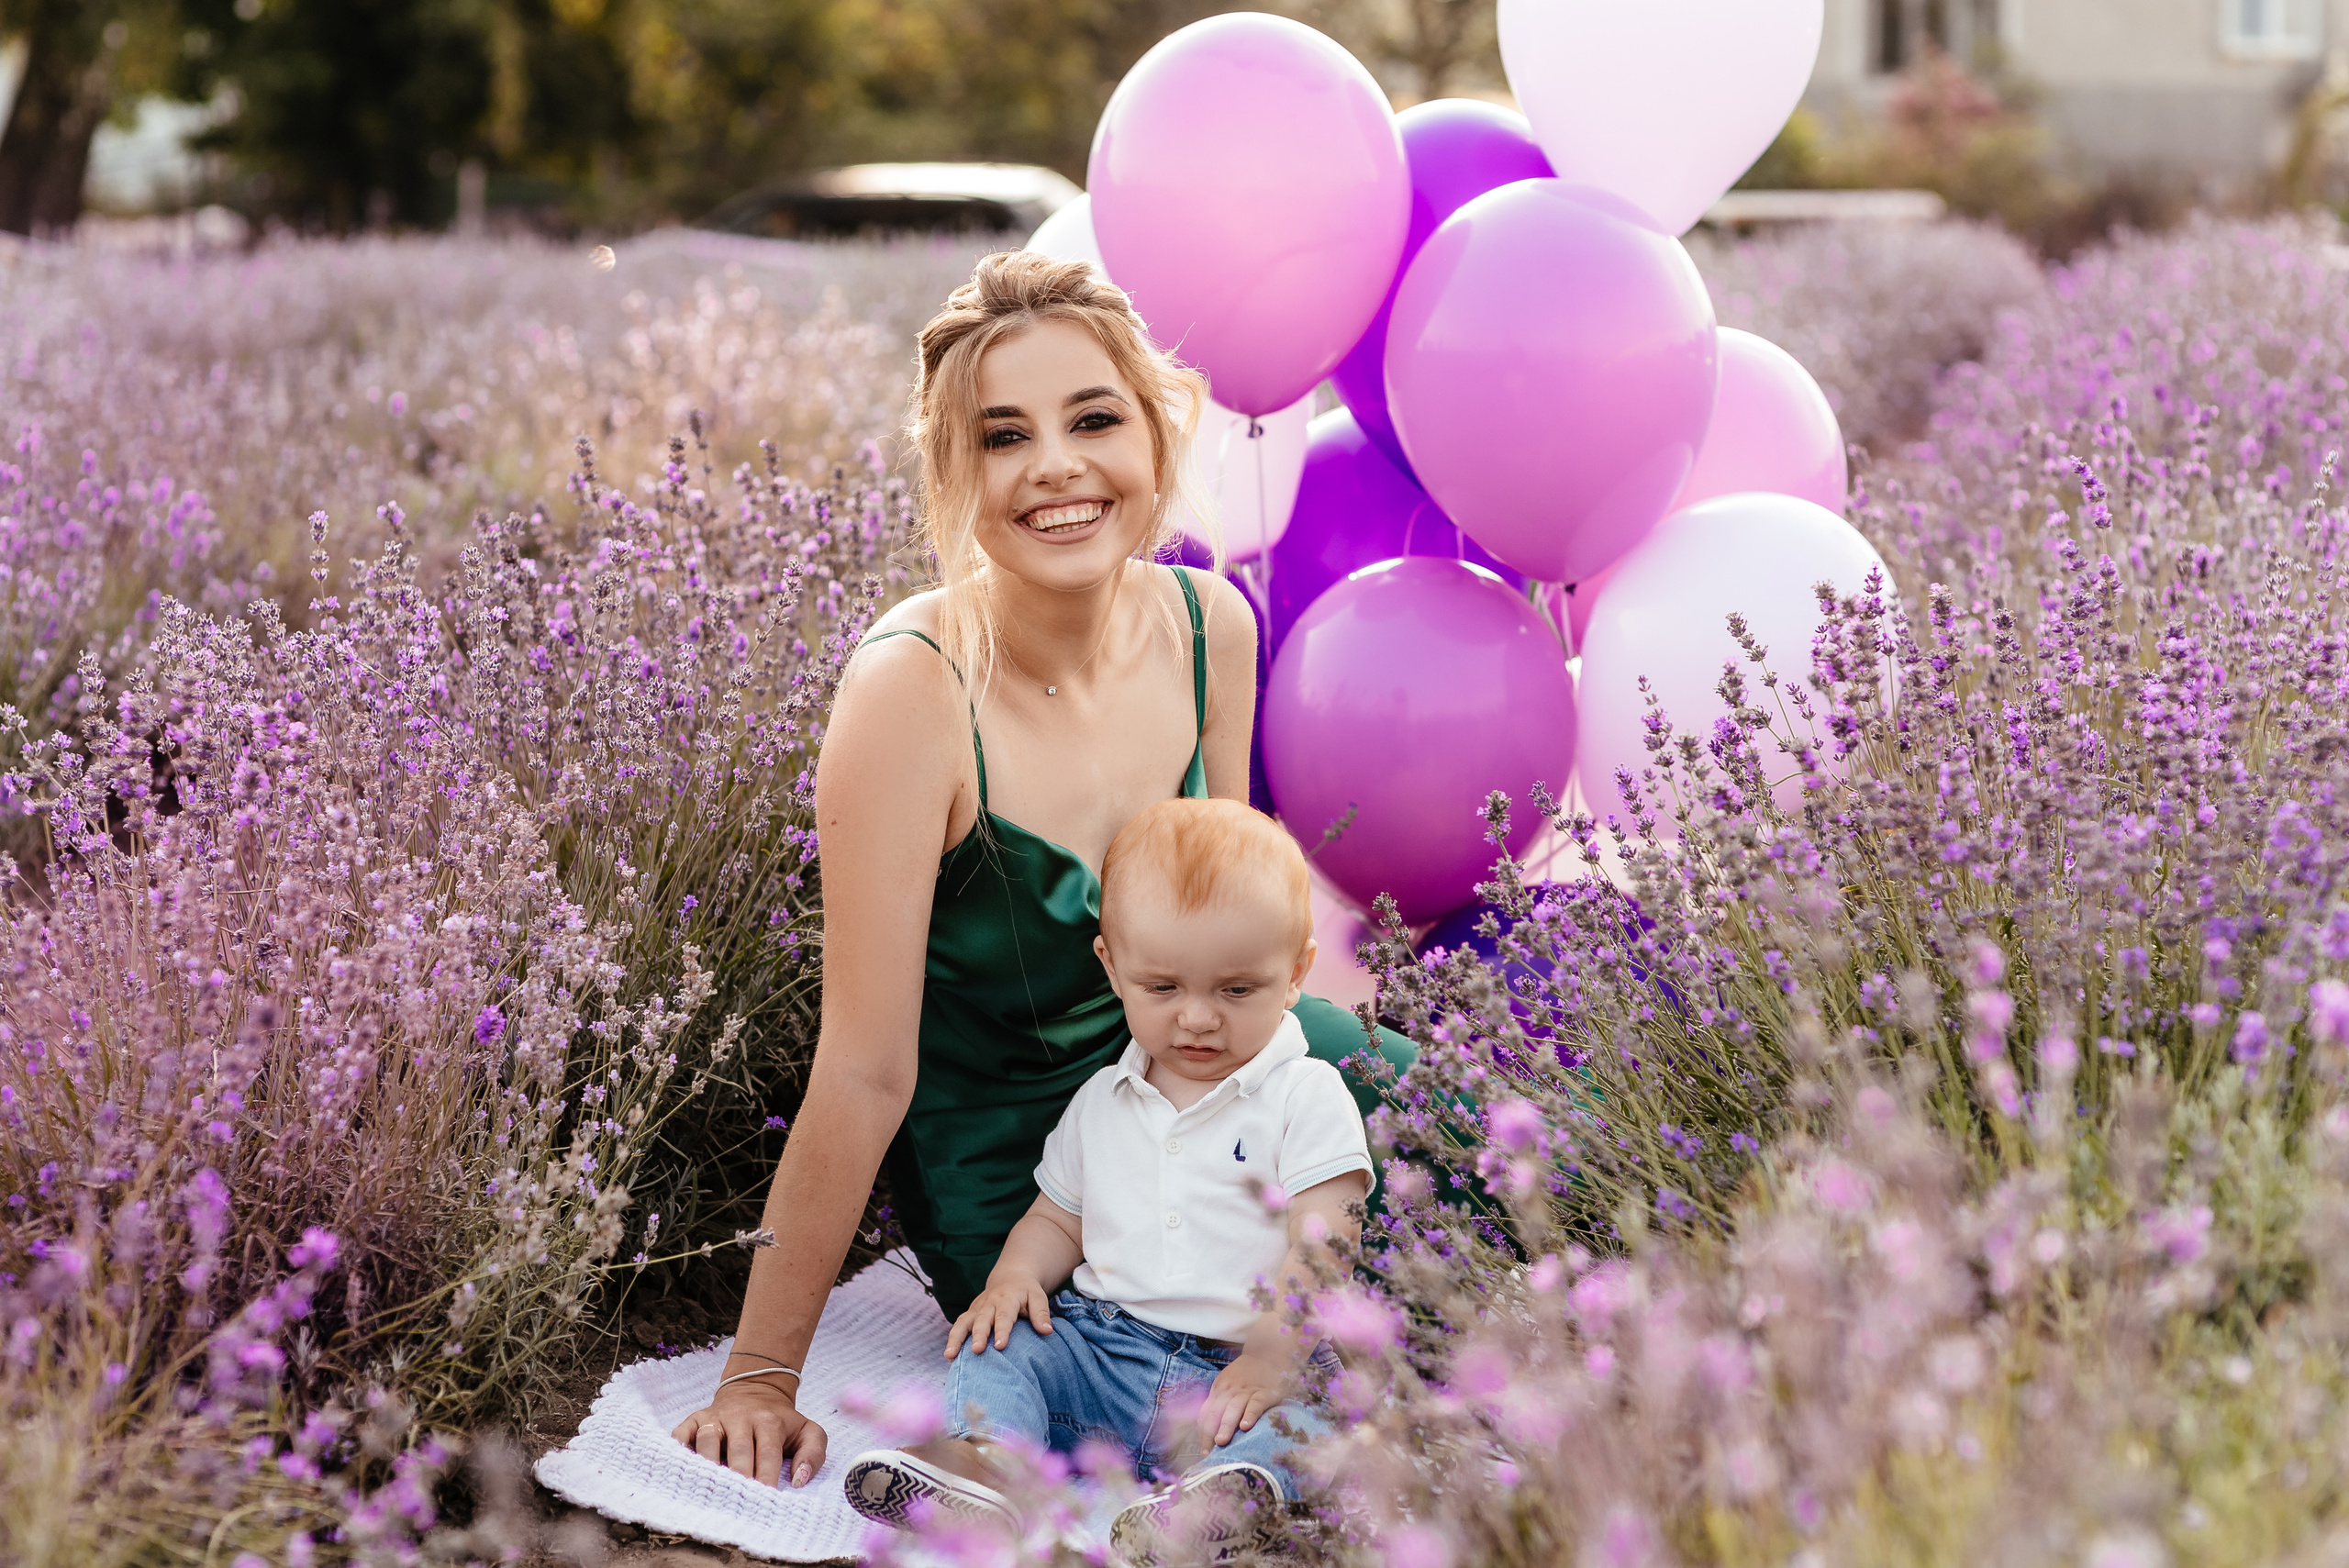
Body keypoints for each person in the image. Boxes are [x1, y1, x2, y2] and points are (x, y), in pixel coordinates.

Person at [669, 250, 1413, 1490]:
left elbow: (1224, 928)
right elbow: (863, 1066)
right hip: (1030, 1182)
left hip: (1210, 1073)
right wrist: (758, 1374)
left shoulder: (1210, 628)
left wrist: (1304, 1103)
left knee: (1483, 1157)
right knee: (1148, 1342)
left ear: (1157, 431)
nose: (1056, 465)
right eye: (1003, 435)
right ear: (953, 470)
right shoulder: (912, 690)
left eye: (1093, 418)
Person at [841, 797, 1368, 1560]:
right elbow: (1058, 1217)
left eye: (1236, 990)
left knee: (1319, 1413)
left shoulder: (1305, 1093)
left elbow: (1325, 1240)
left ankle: (1219, 1500)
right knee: (1003, 1345)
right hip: (1105, 1352)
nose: (1197, 1018)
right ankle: (990, 1465)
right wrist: (1014, 1278)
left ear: (1295, 973)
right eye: (1163, 987)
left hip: (1244, 1370)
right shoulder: (1102, 1100)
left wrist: (1272, 1354)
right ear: (1112, 967)